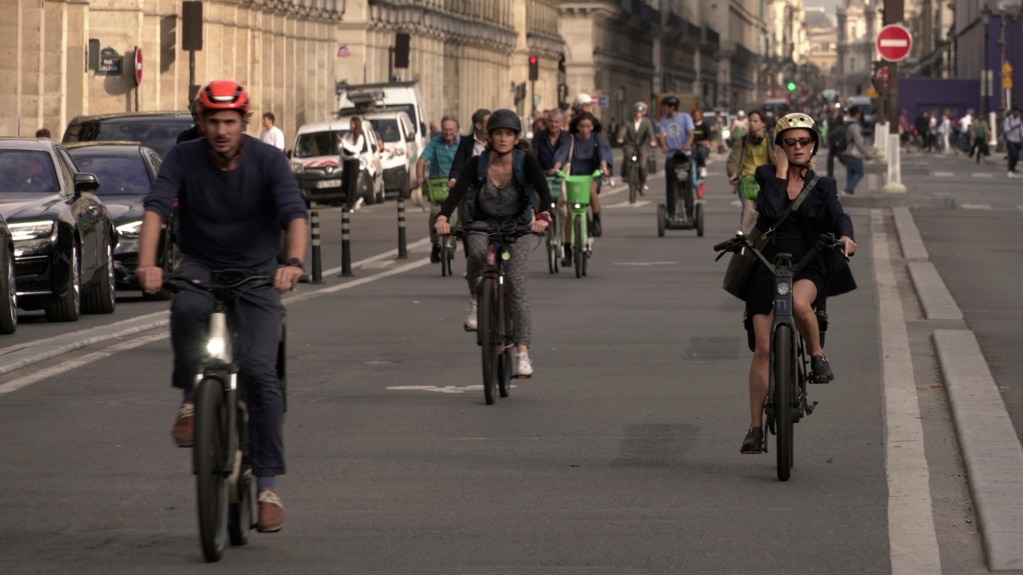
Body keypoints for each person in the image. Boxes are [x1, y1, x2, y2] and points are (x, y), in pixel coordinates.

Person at [136, 79, 309, 532]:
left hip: (257, 273)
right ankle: (192, 399)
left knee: (260, 371)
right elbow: (156, 208)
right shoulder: (183, 157)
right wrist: (148, 263)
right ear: (202, 122)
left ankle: (267, 484)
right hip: (202, 265)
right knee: (186, 309)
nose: (220, 130)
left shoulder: (269, 160)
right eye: (212, 120)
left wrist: (292, 262)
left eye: (230, 121)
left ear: (244, 123)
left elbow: (294, 213)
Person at [738, 112, 857, 454]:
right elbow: (772, 212)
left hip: (808, 262)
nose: (798, 147)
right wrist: (777, 172)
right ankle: (755, 427)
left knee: (801, 304)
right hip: (768, 263)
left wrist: (846, 236)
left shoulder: (824, 185)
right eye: (790, 143)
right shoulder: (766, 176)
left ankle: (817, 355)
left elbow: (838, 215)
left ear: (813, 144)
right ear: (780, 148)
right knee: (762, 349)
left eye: (804, 141)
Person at [433, 109, 553, 377]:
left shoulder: (526, 162)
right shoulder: (478, 163)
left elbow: (544, 192)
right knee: (475, 253)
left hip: (518, 227)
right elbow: (458, 191)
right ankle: (476, 300)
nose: (502, 138)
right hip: (482, 223)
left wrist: (544, 216)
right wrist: (443, 216)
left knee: (516, 283)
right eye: (498, 133)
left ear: (515, 138)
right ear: (489, 136)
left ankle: (522, 353)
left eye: (508, 134)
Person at [553, 110, 612, 257]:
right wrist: (556, 167)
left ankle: (596, 219)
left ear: (592, 127)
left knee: (592, 190)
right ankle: (567, 248)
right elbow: (562, 153)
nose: (585, 129)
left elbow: (603, 154)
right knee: (569, 212)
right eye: (582, 126)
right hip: (574, 177)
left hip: (592, 175)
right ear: (577, 127)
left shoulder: (597, 138)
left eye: (588, 126)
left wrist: (604, 168)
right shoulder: (571, 139)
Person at [416, 115, 461, 263]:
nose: (448, 133)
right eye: (445, 130)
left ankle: (452, 240)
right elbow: (422, 160)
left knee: (454, 215)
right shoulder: (435, 143)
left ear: (456, 130)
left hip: (454, 185)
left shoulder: (461, 145)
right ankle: (435, 245)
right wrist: (420, 178)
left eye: (451, 130)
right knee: (435, 214)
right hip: (436, 184)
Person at [726, 109, 772, 234]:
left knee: (765, 209)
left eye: (755, 121)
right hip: (746, 179)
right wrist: (734, 173)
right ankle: (745, 236)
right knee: (748, 208)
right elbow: (733, 158)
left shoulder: (771, 140)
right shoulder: (742, 140)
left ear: (764, 123)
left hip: (766, 179)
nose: (752, 123)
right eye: (750, 120)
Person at [658, 95, 695, 220]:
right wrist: (664, 146)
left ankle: (690, 213)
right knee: (671, 186)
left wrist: (687, 145)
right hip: (672, 156)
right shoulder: (664, 120)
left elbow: (690, 133)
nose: (663, 109)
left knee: (687, 186)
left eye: (665, 107)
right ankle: (671, 213)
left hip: (684, 156)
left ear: (672, 107)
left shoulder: (685, 117)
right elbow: (662, 135)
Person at [616, 101, 657, 195]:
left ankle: (642, 183)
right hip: (630, 144)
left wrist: (653, 141)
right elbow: (623, 130)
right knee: (627, 155)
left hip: (643, 145)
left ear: (643, 113)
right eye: (636, 112)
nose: (638, 114)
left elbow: (651, 133)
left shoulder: (647, 122)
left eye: (640, 112)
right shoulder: (628, 122)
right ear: (633, 112)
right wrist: (620, 138)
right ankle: (625, 174)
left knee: (643, 165)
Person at [841, 106, 872, 196]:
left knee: (851, 173)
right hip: (853, 153)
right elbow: (858, 142)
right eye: (859, 113)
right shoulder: (854, 126)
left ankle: (849, 191)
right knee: (860, 172)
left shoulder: (847, 123)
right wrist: (866, 153)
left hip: (846, 152)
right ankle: (847, 190)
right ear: (856, 114)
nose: (860, 115)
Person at [531, 108, 570, 176]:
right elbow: (534, 157)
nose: (553, 124)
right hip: (543, 175)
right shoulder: (539, 137)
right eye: (551, 121)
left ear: (562, 123)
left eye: (556, 122)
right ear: (547, 122)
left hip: (562, 175)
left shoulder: (568, 138)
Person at [339, 116, 366, 209]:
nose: (351, 125)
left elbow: (355, 149)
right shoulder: (347, 135)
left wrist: (344, 143)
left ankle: (350, 204)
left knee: (351, 183)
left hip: (353, 161)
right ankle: (355, 198)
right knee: (344, 184)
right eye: (350, 123)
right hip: (346, 161)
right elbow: (342, 147)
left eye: (353, 124)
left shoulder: (360, 137)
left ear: (357, 125)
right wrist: (341, 144)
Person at [690, 108, 712, 178]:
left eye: (698, 115)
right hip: (692, 145)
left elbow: (710, 135)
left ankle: (702, 167)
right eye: (695, 115)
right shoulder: (690, 124)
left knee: (700, 152)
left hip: (702, 145)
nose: (696, 117)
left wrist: (707, 141)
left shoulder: (705, 125)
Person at [1003, 106, 1022, 177]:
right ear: (1013, 112)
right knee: (1013, 154)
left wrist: (1021, 138)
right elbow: (1006, 130)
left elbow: (1021, 130)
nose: (1017, 113)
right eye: (1016, 112)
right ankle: (1010, 170)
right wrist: (1014, 127)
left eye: (1018, 112)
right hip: (1010, 139)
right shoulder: (1008, 120)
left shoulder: (1019, 119)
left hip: (1017, 139)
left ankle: (1012, 169)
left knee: (1016, 156)